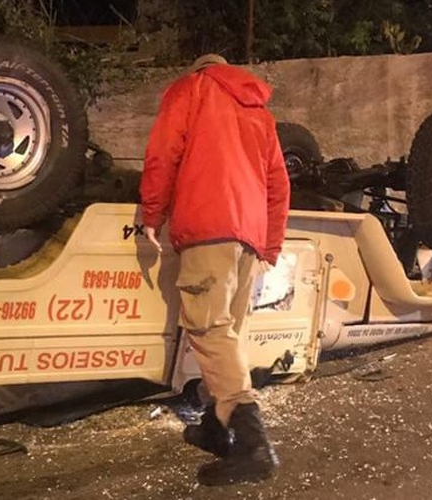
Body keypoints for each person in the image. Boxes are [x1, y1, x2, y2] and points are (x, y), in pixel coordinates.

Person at [139, 53, 290, 485]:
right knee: (226, 334)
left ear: (200, 69)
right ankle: (215, 426)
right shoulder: (259, 113)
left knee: (208, 328)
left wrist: (152, 214)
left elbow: (163, 154)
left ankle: (254, 444)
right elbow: (279, 184)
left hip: (208, 227)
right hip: (249, 237)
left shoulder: (191, 90)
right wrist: (271, 246)